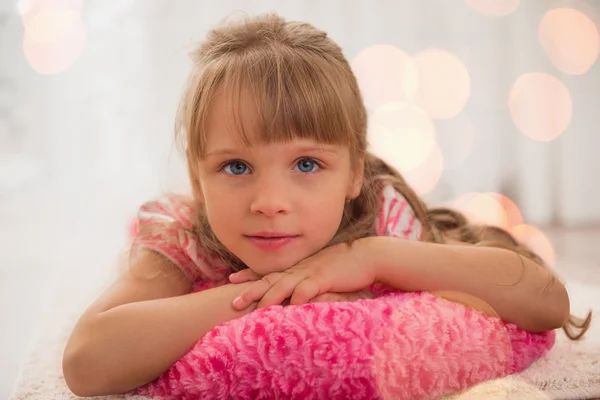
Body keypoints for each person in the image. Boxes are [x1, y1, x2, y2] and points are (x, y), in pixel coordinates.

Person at [62, 12, 589, 397]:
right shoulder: (187, 232)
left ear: (353, 172)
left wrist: (372, 259)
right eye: (236, 167)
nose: (269, 203)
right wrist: (269, 297)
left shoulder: (378, 215)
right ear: (199, 184)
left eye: (307, 165)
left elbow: (549, 303)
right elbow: (86, 363)